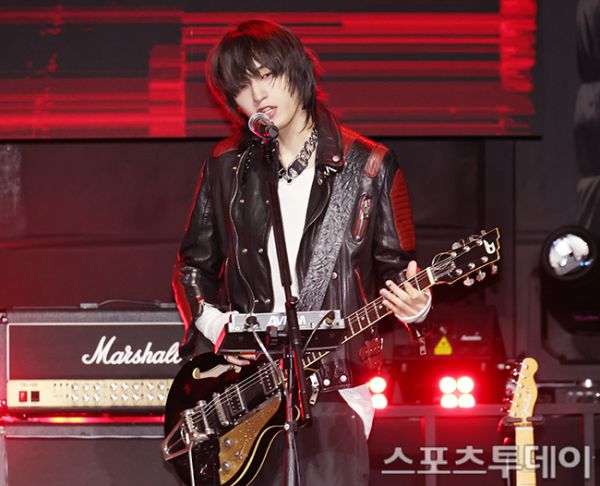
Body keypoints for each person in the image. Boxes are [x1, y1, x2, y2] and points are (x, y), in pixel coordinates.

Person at [172, 19, 431, 486]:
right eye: (241, 87)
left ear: (296, 70)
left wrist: (417, 307)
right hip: (246, 387)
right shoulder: (225, 164)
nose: (257, 95)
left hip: (334, 382)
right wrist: (218, 329)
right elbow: (193, 267)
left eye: (266, 75)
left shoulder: (369, 165)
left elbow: (396, 271)